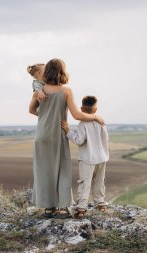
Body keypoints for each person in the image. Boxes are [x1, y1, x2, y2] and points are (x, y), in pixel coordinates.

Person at [29, 58, 104, 219]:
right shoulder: (66, 91)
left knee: (44, 170)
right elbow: (77, 115)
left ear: (47, 71)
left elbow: (31, 110)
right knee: (62, 169)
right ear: (62, 72)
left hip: (41, 135)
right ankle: (63, 208)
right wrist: (95, 117)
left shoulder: (38, 91)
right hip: (58, 134)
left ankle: (49, 208)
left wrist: (45, 117)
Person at [61, 96, 109, 219]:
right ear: (95, 110)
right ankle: (101, 204)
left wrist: (68, 131)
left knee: (85, 183)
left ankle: (81, 208)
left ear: (81, 109)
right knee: (99, 181)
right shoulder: (101, 122)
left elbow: (79, 140)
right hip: (102, 157)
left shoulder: (83, 124)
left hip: (88, 158)